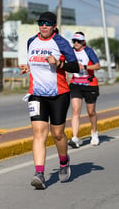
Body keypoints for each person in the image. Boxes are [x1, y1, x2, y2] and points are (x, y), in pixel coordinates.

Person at [19, 11, 79, 189]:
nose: (43, 26)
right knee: (38, 132)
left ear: (54, 26)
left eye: (47, 23)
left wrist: (59, 64)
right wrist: (27, 67)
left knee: (58, 134)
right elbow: (34, 62)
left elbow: (75, 66)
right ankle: (39, 173)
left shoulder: (60, 42)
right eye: (40, 23)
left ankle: (63, 161)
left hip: (59, 94)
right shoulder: (31, 41)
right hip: (36, 94)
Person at [68, 32, 101, 148]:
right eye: (74, 41)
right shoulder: (70, 52)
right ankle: (75, 137)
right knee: (75, 110)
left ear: (83, 42)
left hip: (90, 84)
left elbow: (97, 65)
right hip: (76, 83)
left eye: (78, 41)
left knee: (91, 112)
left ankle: (94, 132)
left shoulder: (89, 51)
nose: (76, 43)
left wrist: (85, 67)